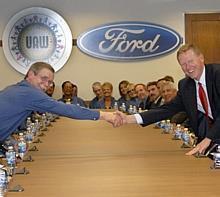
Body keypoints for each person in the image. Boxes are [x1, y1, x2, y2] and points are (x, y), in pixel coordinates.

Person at [116, 44, 220, 156]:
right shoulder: (186, 85)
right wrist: (128, 119)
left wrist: (208, 138)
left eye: (190, 61)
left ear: (201, 58)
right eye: (183, 64)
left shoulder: (217, 74)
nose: (188, 67)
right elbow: (167, 109)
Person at [0, 62, 122, 142]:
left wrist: (9, 140)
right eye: (44, 79)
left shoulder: (15, 89)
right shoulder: (29, 93)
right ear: (30, 74)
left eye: (50, 82)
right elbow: (66, 109)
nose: (46, 85)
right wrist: (105, 115)